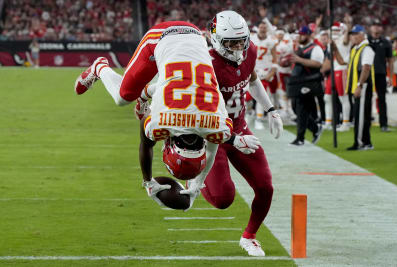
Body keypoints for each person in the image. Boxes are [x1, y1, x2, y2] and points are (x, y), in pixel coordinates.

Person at [74, 21, 260, 210]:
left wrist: (197, 183)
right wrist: (147, 182)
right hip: (162, 36)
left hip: (196, 37)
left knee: (138, 94)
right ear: (169, 147)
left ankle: (117, 81)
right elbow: (146, 144)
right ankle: (100, 67)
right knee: (122, 97)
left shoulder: (217, 128)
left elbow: (212, 148)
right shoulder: (160, 125)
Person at [203, 11, 283, 256]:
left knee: (265, 186)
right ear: (217, 40)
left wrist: (271, 109)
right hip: (213, 135)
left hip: (240, 128)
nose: (238, 46)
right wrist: (232, 139)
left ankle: (249, 236)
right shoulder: (206, 63)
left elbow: (253, 79)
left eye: (241, 40)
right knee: (222, 199)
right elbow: (201, 113)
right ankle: (191, 169)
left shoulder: (250, 51)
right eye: (231, 42)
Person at [287, 25, 324, 146]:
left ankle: (300, 138)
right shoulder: (300, 48)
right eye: (299, 34)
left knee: (302, 109)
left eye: (302, 34)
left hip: (308, 82)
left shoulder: (315, 48)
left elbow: (318, 64)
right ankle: (315, 128)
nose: (300, 36)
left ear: (308, 35)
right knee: (295, 109)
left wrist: (299, 60)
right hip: (298, 82)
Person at [346, 25, 375, 151]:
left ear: (363, 34)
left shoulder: (366, 49)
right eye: (352, 34)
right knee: (360, 115)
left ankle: (360, 143)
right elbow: (344, 63)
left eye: (356, 34)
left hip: (363, 86)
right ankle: (366, 142)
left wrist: (359, 85)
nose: (353, 36)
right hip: (356, 87)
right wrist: (335, 49)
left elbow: (366, 68)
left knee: (361, 116)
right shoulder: (355, 49)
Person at [322, 22, 352, 131]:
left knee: (343, 97)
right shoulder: (332, 42)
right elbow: (329, 58)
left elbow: (346, 40)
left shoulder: (345, 40)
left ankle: (346, 123)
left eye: (337, 30)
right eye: (333, 30)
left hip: (342, 69)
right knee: (327, 97)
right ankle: (328, 121)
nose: (335, 33)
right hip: (333, 71)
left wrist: (348, 27)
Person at [250, 20, 279, 130]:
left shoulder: (271, 41)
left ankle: (259, 118)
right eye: (261, 27)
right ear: (258, 28)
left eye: (264, 27)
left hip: (265, 71)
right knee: (247, 97)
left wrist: (272, 72)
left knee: (261, 95)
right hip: (253, 70)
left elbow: (275, 58)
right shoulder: (252, 39)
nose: (263, 29)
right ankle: (249, 114)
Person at [368, 19, 393, 132]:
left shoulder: (386, 42)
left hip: (381, 73)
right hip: (367, 73)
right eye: (374, 25)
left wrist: (391, 77)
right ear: (370, 28)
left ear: (381, 28)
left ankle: (384, 124)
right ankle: (366, 122)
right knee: (367, 98)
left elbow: (390, 60)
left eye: (378, 26)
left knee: (382, 99)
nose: (376, 28)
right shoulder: (365, 41)